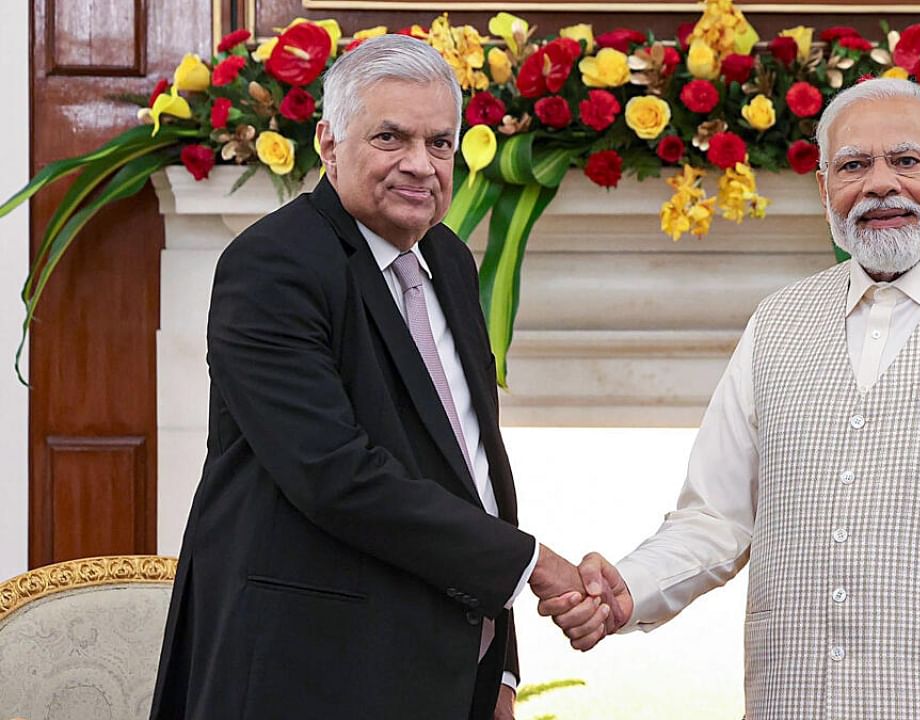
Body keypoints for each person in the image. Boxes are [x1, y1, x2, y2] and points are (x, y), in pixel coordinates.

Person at [545, 78, 920, 719]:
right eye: (855, 165)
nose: (881, 183)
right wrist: (630, 588)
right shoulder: (777, 322)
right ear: (825, 188)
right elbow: (715, 516)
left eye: (907, 161)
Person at [150, 35, 601, 720]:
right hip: (306, 672)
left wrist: (500, 668)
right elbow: (334, 474)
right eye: (390, 137)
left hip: (443, 671)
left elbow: (471, 473)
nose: (419, 165)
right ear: (329, 144)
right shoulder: (273, 266)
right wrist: (530, 564)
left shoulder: (446, 260)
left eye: (440, 143)